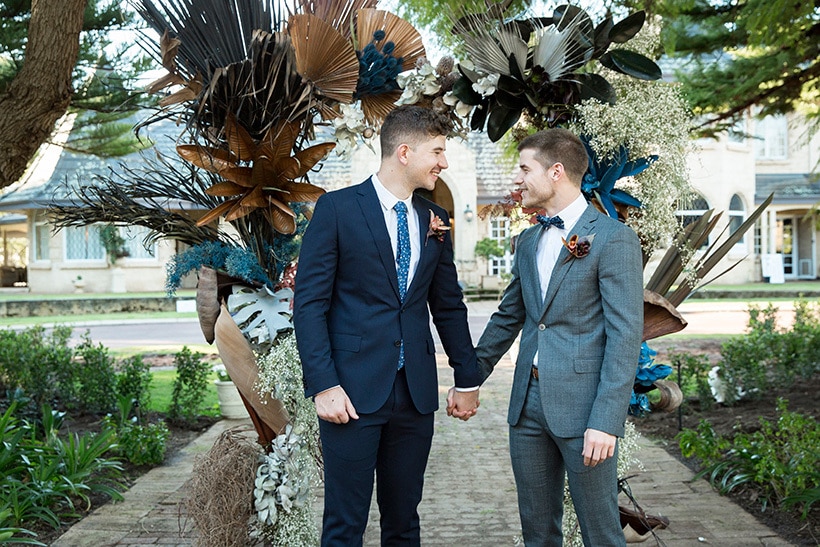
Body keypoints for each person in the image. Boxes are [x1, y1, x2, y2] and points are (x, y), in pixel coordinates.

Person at [293, 105, 481, 546]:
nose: (443, 162)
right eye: (437, 151)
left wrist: (466, 376)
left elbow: (448, 305)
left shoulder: (433, 219)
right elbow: (309, 305)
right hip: (351, 393)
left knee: (404, 521)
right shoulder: (336, 209)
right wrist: (323, 385)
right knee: (345, 522)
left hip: (414, 395)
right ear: (404, 152)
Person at [473, 128, 643, 546]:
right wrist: (468, 375)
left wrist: (606, 421)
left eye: (524, 168)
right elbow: (510, 315)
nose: (517, 178)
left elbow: (625, 336)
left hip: (585, 410)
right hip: (526, 407)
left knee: (600, 531)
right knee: (537, 530)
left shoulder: (613, 238)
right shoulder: (528, 240)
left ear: (556, 172)